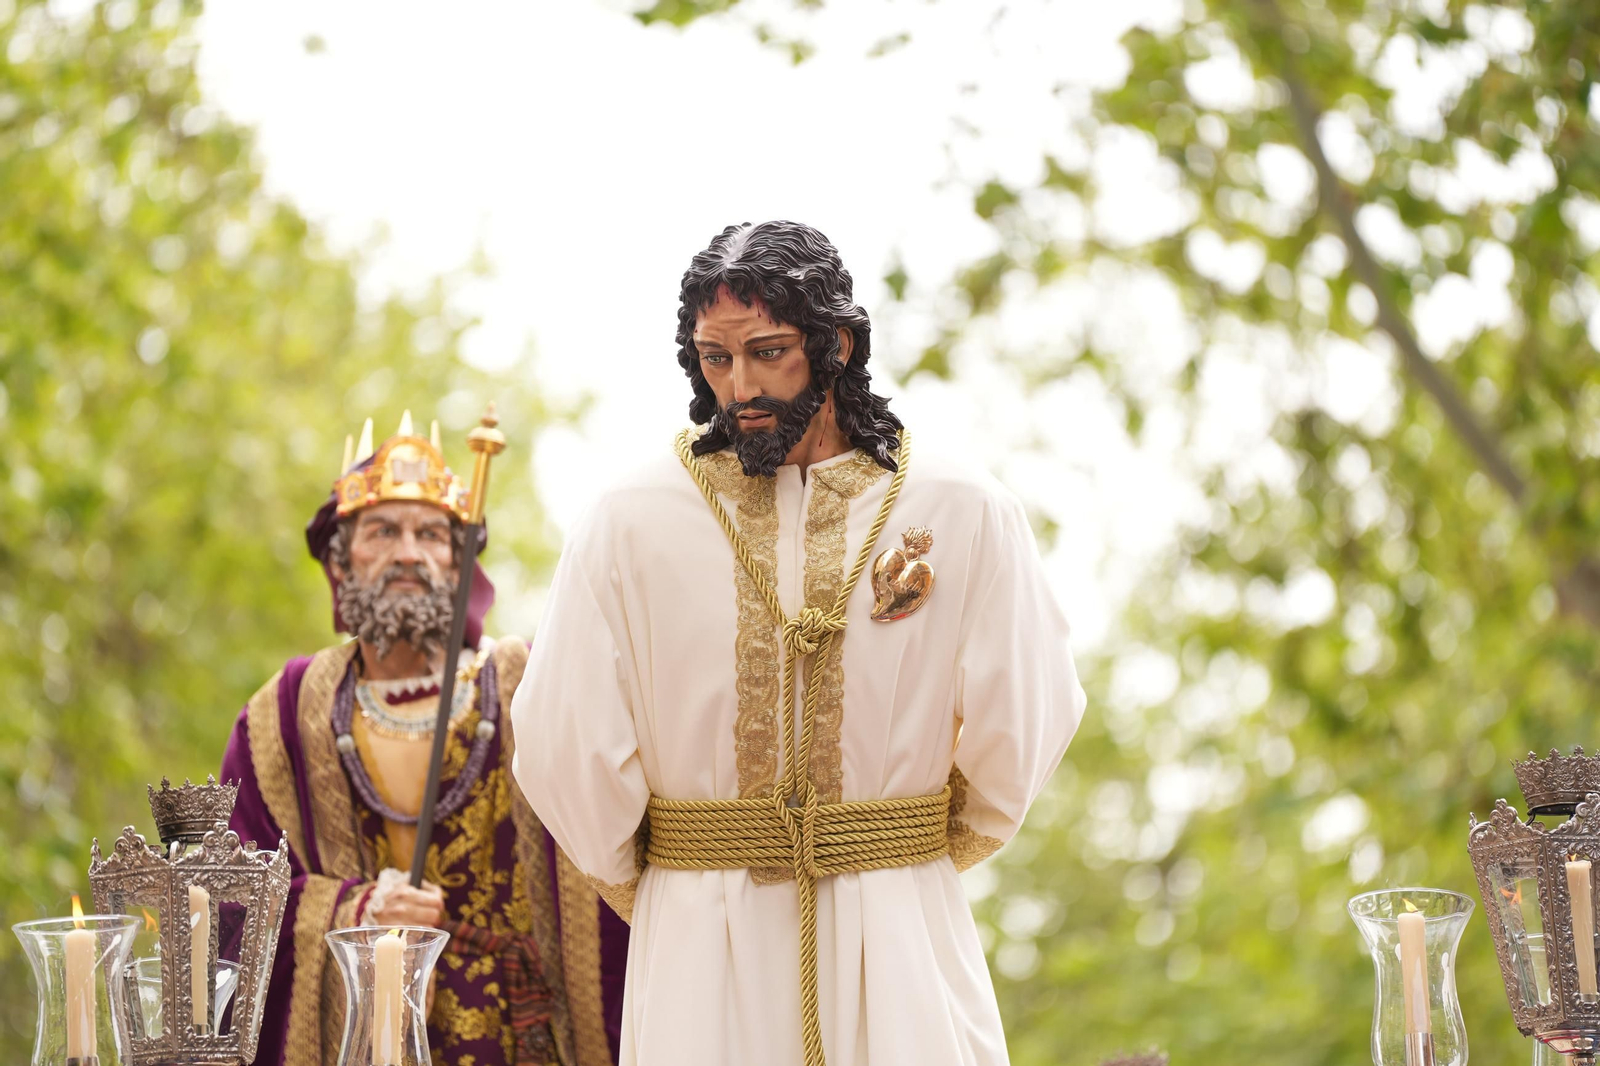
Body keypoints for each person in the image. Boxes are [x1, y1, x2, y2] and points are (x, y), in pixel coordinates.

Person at [511, 220, 1086, 1066]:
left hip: (899, 938)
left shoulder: (961, 509)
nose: (738, 384)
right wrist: (684, 884)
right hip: (700, 952)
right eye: (714, 358)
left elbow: (1028, 718)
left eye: (767, 351)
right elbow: (564, 743)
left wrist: (895, 858)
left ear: (836, 345)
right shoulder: (629, 519)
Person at [220, 413, 628, 1066]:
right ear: (340, 557)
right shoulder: (284, 715)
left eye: (431, 533)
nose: (408, 552)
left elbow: (615, 849)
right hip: (357, 1036)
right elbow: (230, 894)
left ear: (460, 559)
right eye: (382, 531)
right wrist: (357, 909)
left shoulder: (534, 688)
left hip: (519, 1038)